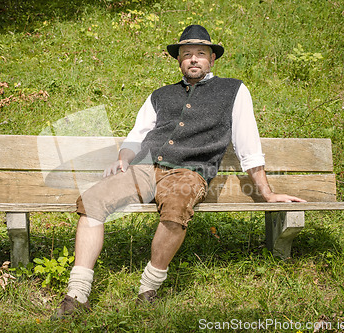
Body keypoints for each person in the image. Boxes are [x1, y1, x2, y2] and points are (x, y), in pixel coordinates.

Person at [53, 24, 305, 318]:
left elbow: (247, 143)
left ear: (212, 59)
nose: (194, 59)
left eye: (200, 53)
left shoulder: (234, 91)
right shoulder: (160, 95)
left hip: (189, 172)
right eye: (187, 54)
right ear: (179, 60)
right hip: (144, 167)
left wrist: (267, 192)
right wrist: (124, 158)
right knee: (92, 202)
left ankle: (148, 289)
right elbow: (137, 134)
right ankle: (77, 294)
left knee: (175, 210)